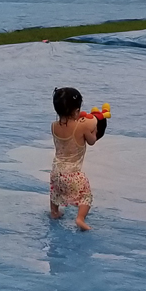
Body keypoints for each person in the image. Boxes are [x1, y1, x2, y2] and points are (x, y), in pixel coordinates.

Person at [49, 87, 105, 231]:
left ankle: (54, 212)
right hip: (73, 173)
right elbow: (92, 141)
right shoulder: (81, 128)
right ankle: (80, 219)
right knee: (85, 196)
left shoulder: (54, 126)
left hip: (56, 171)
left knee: (55, 192)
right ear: (76, 111)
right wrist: (95, 129)